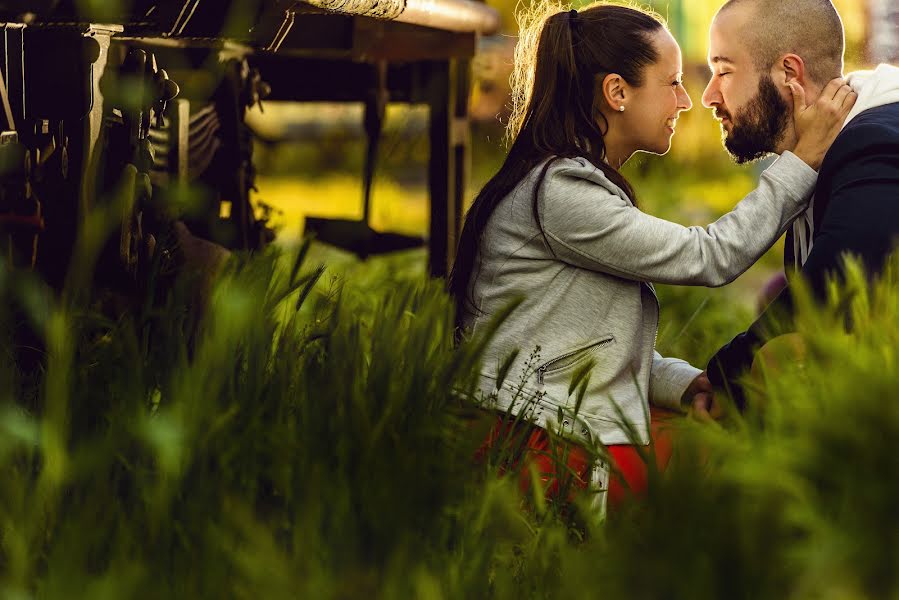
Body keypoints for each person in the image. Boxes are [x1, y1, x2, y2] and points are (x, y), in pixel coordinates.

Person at [448, 0, 855, 512]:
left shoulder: (574, 185)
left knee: (729, 438)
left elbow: (595, 353)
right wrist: (803, 161)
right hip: (534, 443)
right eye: (673, 83)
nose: (688, 101)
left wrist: (690, 386)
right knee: (753, 470)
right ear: (617, 92)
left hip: (556, 422)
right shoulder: (560, 191)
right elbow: (710, 257)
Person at [703, 0, 899, 408]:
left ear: (789, 74)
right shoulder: (825, 149)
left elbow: (829, 291)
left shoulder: (874, 144)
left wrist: (724, 379)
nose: (708, 95)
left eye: (723, 71)